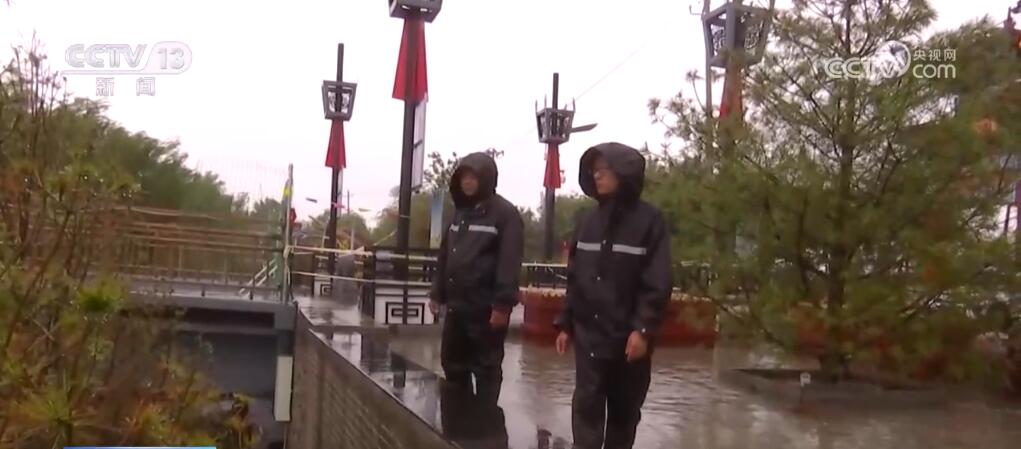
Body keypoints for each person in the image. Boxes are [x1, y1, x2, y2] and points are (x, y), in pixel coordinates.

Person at [553, 142, 672, 449]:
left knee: (623, 414)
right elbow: (575, 277)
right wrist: (565, 323)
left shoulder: (650, 222)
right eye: (594, 170)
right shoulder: (586, 221)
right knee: (586, 409)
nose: (597, 175)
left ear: (624, 172)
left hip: (627, 341)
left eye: (604, 170)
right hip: (589, 337)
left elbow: (657, 281)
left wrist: (643, 330)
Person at [430, 151, 524, 406]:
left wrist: (502, 306)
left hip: (485, 310)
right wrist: (437, 292)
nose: (468, 182)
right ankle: (457, 415)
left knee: (486, 368)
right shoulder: (459, 214)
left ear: (486, 178)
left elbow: (509, 262)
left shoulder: (505, 215)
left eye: (473, 177)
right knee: (452, 362)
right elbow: (445, 255)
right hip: (457, 307)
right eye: (464, 177)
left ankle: (485, 419)